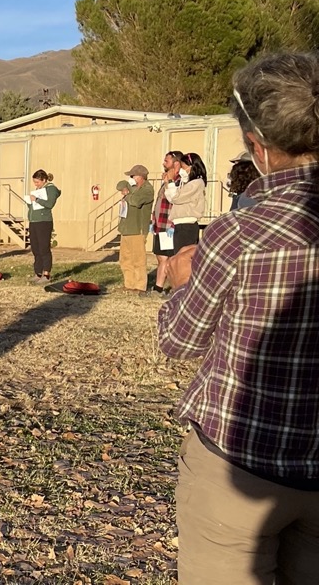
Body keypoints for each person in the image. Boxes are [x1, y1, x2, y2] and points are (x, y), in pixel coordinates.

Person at [157, 51, 319, 584]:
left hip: (240, 462)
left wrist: (182, 283)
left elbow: (180, 340)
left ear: (257, 144)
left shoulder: (240, 233)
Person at [116, 164, 153, 293]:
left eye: (132, 176)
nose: (131, 178)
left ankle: (140, 286)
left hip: (137, 230)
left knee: (138, 259)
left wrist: (127, 194)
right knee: (125, 259)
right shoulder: (133, 189)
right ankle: (129, 284)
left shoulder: (147, 189)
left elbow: (136, 202)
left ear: (140, 177)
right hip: (126, 229)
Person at [151, 150, 183, 293]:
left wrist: (172, 224)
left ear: (176, 163)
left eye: (166, 161)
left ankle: (159, 288)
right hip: (159, 224)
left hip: (168, 225)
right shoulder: (165, 180)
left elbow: (176, 202)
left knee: (166, 258)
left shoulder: (179, 181)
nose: (163, 163)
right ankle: (160, 286)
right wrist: (153, 220)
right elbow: (159, 201)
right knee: (160, 257)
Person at [165, 151, 206, 256]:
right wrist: (168, 183)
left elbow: (176, 198)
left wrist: (170, 181)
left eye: (183, 167)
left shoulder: (197, 183)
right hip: (179, 225)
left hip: (187, 226)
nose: (181, 170)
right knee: (177, 257)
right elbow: (171, 198)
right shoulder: (186, 183)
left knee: (183, 259)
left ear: (191, 167)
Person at [26, 169, 60, 283]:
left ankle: (46, 274)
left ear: (44, 180)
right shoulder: (38, 190)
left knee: (44, 248)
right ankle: (38, 272)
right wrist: (29, 202)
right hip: (34, 221)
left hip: (44, 222)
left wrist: (37, 200)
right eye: (35, 182)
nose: (36, 184)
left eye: (37, 182)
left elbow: (49, 204)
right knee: (35, 248)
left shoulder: (51, 189)